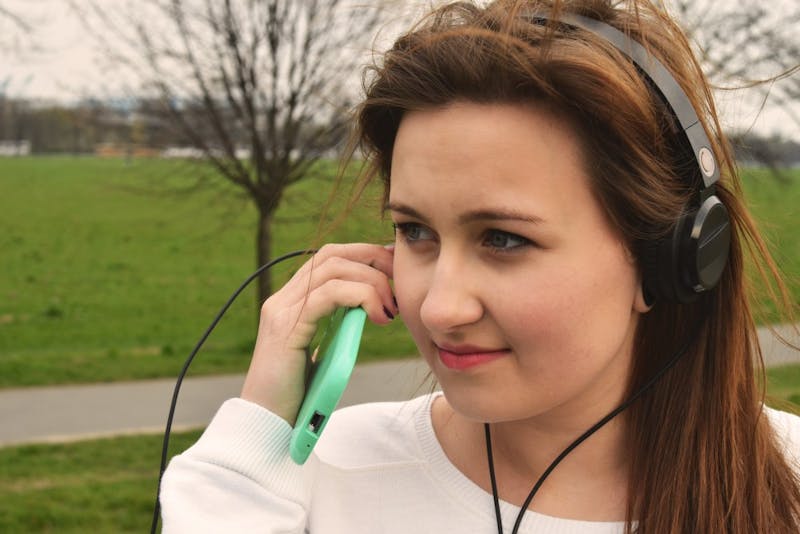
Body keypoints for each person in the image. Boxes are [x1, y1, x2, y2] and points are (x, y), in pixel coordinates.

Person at [159, 0, 800, 532]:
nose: (438, 308)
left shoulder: (786, 487)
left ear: (669, 255)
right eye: (414, 231)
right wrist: (256, 442)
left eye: (502, 239)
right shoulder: (311, 481)